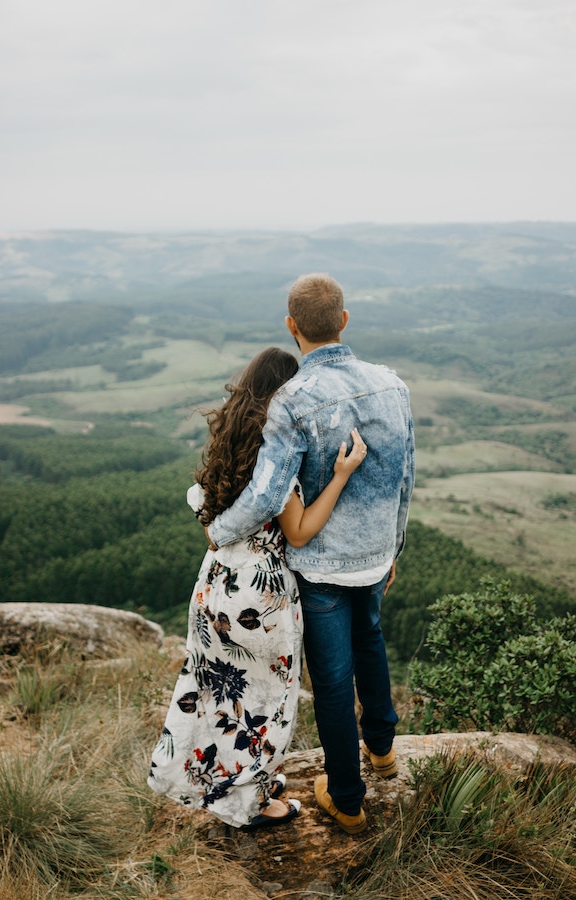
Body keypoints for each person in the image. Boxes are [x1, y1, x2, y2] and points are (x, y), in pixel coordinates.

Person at [206, 274, 415, 834]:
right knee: (371, 641)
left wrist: (219, 529)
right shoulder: (393, 386)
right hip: (374, 555)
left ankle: (346, 799)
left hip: (321, 566)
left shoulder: (292, 400)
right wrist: (394, 544)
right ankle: (384, 752)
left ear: (291, 326)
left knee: (331, 677)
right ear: (345, 320)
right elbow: (404, 478)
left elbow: (269, 495)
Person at [148, 346, 367, 831]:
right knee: (265, 700)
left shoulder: (228, 447)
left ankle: (232, 783)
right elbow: (300, 531)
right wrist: (340, 476)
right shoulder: (275, 463)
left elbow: (206, 515)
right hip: (260, 598)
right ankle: (252, 804)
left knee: (218, 693)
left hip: (214, 585)